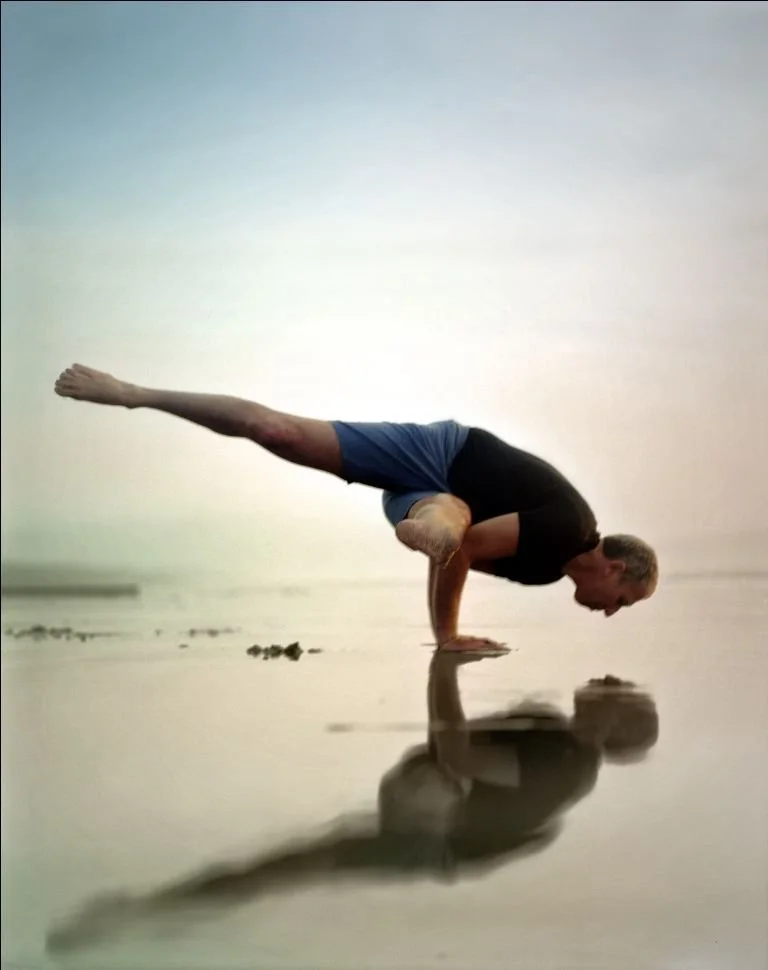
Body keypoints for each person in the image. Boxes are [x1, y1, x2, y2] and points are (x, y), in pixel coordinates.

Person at [46, 652, 659, 954]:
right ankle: (151, 918)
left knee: (282, 869)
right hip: (432, 830)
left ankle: (143, 921)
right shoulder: (556, 734)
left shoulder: (567, 758)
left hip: (429, 836)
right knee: (283, 869)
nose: (610, 678)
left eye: (623, 691)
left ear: (618, 729)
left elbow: (459, 759)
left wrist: (443, 674)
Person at [54, 364, 659, 651]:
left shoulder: (543, 570)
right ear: (616, 569)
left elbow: (464, 553)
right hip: (438, 451)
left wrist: (445, 609)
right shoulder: (570, 530)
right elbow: (469, 552)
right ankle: (135, 394)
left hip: (439, 500)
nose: (612, 612)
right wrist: (447, 636)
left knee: (450, 519)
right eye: (624, 601)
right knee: (277, 431)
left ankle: (426, 527)